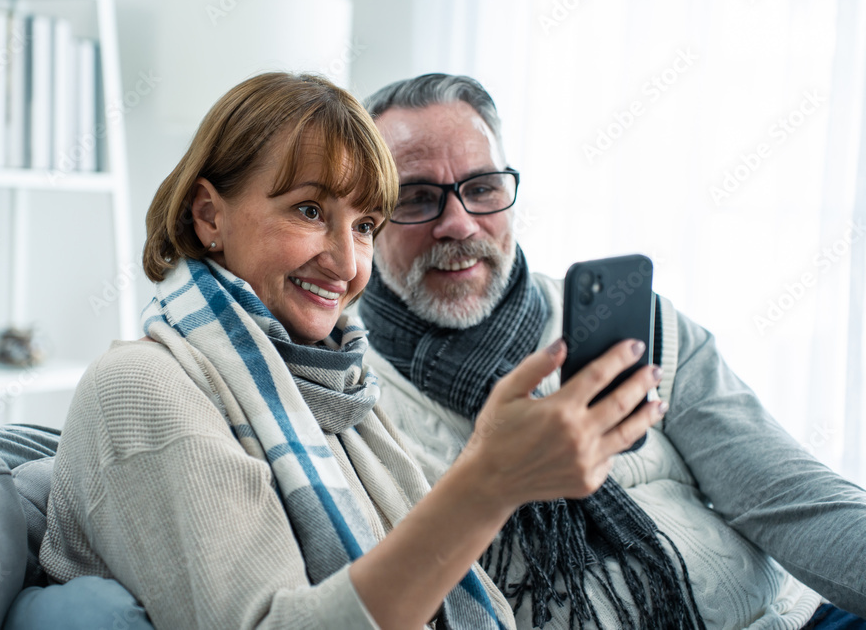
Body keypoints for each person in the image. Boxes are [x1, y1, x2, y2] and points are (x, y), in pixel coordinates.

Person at [24, 71, 675, 630]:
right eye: (310, 210)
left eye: (365, 224)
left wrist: (494, 472)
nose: (346, 261)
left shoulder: (341, 386)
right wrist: (490, 483)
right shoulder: (142, 384)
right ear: (208, 215)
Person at [354, 73, 866, 629]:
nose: (458, 223)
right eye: (417, 198)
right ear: (369, 216)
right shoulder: (349, 395)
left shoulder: (639, 321)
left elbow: (788, 500)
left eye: (482, 188)